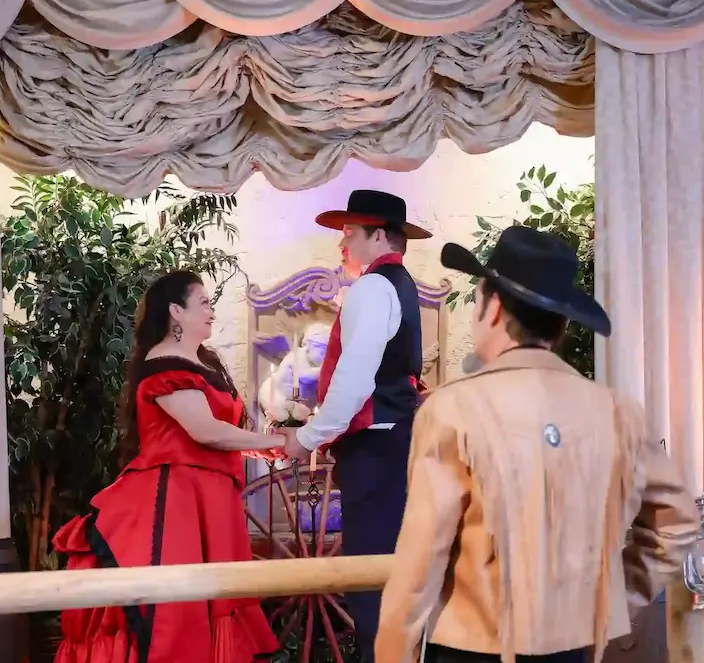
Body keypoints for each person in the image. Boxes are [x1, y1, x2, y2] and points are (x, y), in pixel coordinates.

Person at [374, 227, 699, 663]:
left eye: (476, 300)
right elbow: (676, 522)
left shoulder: (453, 409)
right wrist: (609, 601)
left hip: (470, 648)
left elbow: (420, 561)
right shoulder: (617, 412)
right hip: (571, 647)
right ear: (561, 323)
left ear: (492, 308)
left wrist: (394, 653)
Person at [53, 270, 284, 663]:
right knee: (175, 609)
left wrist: (263, 449)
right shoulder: (164, 364)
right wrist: (276, 443)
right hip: (175, 502)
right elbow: (204, 432)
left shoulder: (201, 362)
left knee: (211, 599)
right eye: (204, 303)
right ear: (176, 311)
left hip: (208, 498)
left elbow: (210, 438)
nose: (212, 312)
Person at [278, 189, 432, 662]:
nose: (342, 243)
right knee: (389, 579)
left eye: (349, 232)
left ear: (378, 236)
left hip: (376, 451)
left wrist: (307, 438)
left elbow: (354, 380)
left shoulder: (373, 287)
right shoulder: (399, 284)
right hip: (395, 445)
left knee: (372, 584)